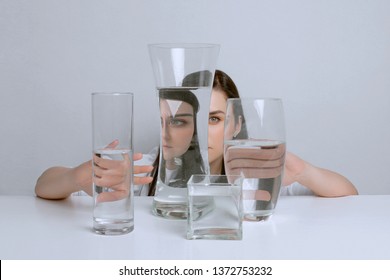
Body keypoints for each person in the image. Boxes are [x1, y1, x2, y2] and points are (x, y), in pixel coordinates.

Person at [35, 70, 358, 200]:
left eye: (214, 119)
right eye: (182, 121)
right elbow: (45, 185)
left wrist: (304, 172)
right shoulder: (142, 172)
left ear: (235, 125)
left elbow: (349, 195)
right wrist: (80, 176)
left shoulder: (256, 177)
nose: (199, 135)